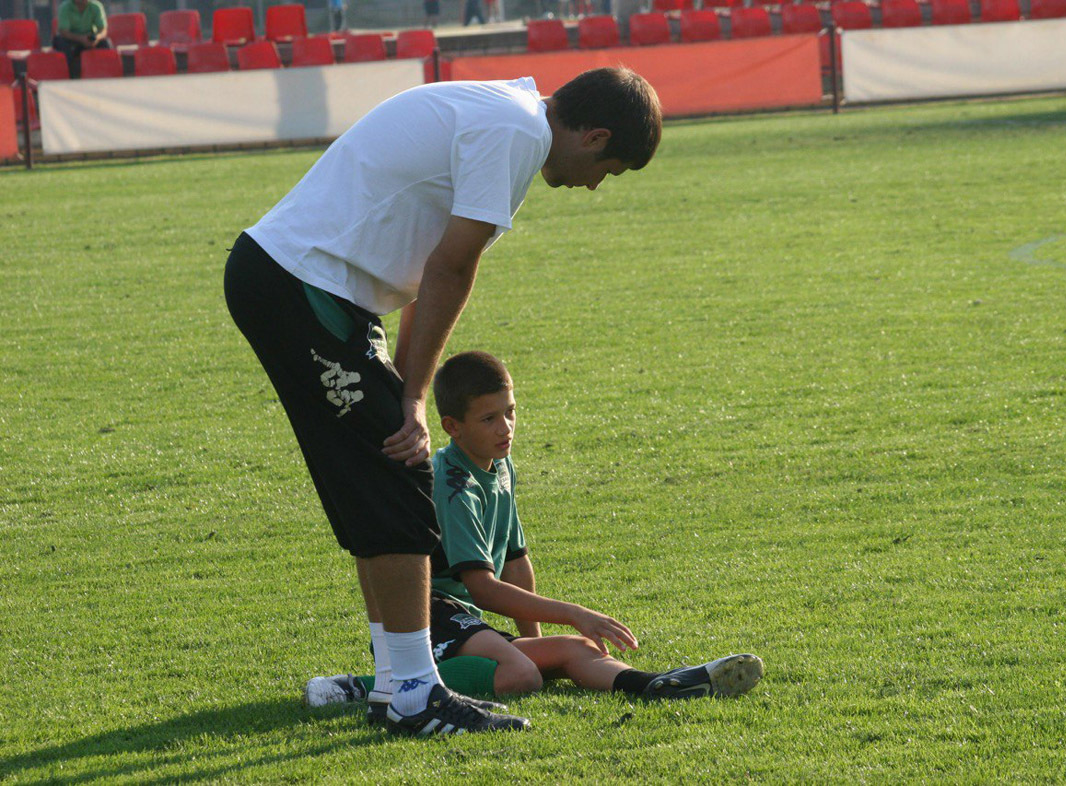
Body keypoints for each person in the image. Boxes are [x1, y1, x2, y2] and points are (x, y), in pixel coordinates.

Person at [223, 69, 662, 738]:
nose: (595, 184)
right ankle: (410, 693)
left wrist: (403, 386)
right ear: (594, 135)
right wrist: (415, 395)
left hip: (312, 287)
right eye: (608, 167)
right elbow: (450, 268)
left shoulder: (506, 112)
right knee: (397, 480)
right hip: (302, 284)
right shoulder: (517, 133)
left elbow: (434, 269)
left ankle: (400, 687)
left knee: (380, 480)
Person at [304, 352, 765, 713]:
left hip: (463, 619)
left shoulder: (499, 465)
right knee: (522, 675)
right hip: (427, 614)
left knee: (575, 649)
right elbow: (482, 587)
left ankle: (656, 685)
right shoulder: (454, 487)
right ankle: (360, 687)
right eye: (489, 419)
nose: (505, 428)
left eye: (510, 412)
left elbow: (516, 561)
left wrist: (535, 637)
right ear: (452, 427)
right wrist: (573, 613)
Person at [52, 0, 113, 79]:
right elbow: (64, 32)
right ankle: (70, 77)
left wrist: (96, 38)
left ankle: (107, 75)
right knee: (62, 43)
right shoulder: (65, 7)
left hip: (89, 38)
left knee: (106, 43)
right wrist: (81, 39)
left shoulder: (96, 6)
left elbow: (102, 30)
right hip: (71, 39)